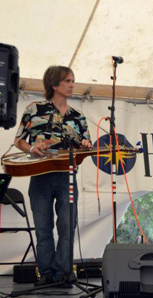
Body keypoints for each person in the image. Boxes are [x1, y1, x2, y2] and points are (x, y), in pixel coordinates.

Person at [14, 66, 92, 286]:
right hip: (39, 174)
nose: (72, 85)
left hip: (66, 176)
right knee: (43, 226)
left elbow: (84, 152)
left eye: (73, 80)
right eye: (67, 81)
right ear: (54, 85)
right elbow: (18, 140)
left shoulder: (79, 117)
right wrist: (31, 149)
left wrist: (85, 148)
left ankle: (64, 272)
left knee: (68, 226)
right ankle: (46, 273)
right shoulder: (34, 109)